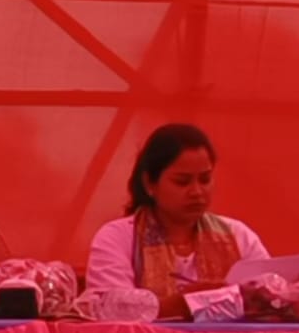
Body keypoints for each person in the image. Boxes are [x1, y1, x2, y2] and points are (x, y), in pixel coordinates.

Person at [86, 124, 268, 301]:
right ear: (149, 183)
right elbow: (113, 308)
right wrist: (189, 303)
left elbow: (271, 295)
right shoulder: (117, 238)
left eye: (205, 180)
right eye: (182, 182)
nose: (197, 192)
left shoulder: (238, 236)